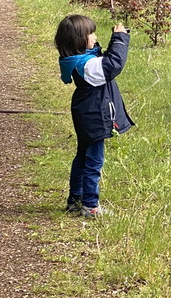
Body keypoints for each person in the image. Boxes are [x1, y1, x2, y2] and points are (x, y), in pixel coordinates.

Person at [54, 14, 134, 218]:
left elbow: (103, 60)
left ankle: (75, 200)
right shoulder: (87, 65)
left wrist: (114, 39)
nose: (95, 36)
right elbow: (112, 65)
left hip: (86, 114)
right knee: (94, 161)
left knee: (83, 157)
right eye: (91, 34)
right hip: (95, 117)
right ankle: (90, 205)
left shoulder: (79, 61)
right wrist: (119, 40)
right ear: (79, 40)